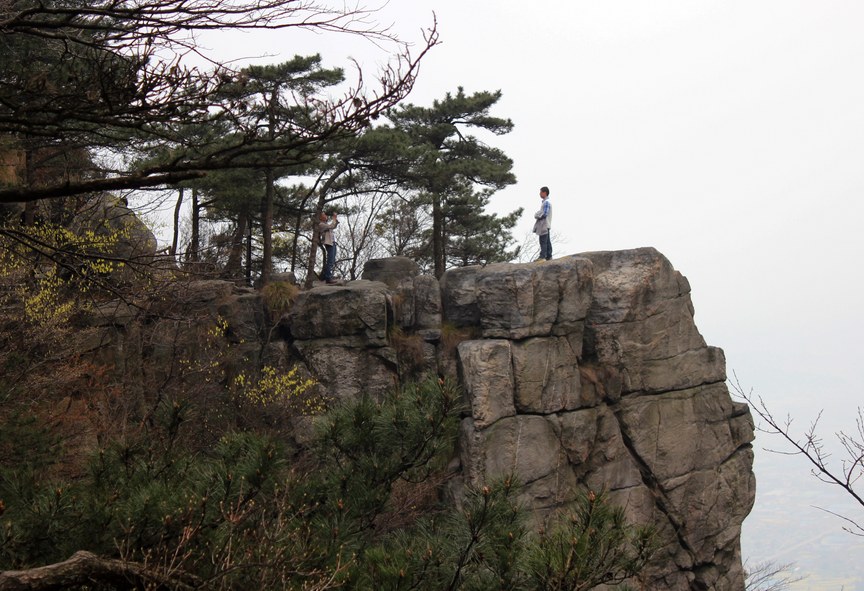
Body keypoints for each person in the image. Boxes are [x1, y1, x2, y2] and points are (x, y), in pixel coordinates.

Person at [317, 211, 339, 284]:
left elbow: (333, 226)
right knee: (330, 261)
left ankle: (325, 276)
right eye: (323, 214)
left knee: (332, 260)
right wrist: (334, 219)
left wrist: (335, 220)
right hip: (329, 243)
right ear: (320, 217)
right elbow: (331, 226)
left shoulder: (325, 224)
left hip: (332, 242)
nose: (325, 215)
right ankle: (328, 278)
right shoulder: (321, 224)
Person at [533, 186, 552, 261]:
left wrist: (537, 215)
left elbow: (544, 214)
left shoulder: (546, 202)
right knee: (547, 241)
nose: (539, 194)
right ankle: (549, 256)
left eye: (540, 192)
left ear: (544, 192)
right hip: (546, 224)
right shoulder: (545, 202)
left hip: (544, 224)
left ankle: (542, 257)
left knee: (543, 240)